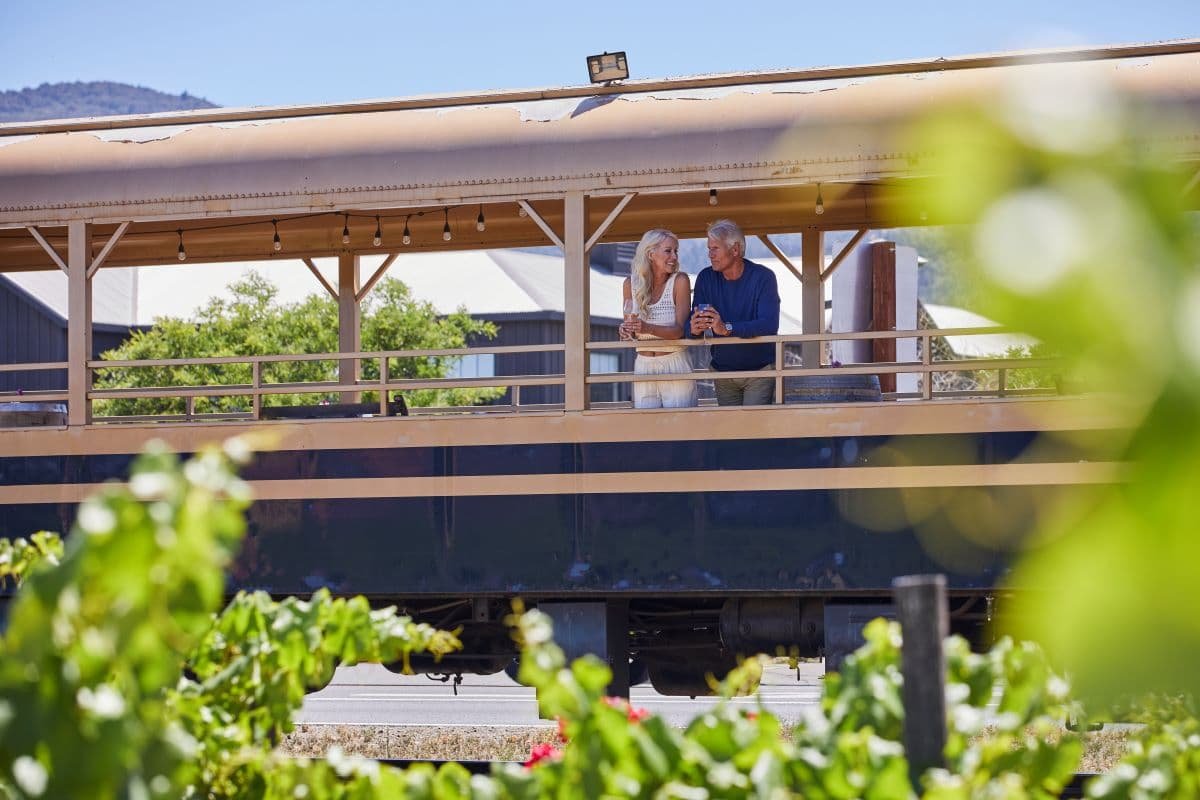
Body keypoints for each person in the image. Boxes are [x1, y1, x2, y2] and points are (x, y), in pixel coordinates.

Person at [689, 219, 781, 405]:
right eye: (709, 249)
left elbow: (769, 324)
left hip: (759, 371)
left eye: (715, 248)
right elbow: (695, 323)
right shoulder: (705, 278)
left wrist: (727, 328)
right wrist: (695, 326)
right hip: (723, 371)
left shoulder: (763, 277)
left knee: (752, 432)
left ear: (735, 249)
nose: (710, 255)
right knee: (730, 432)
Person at [620, 229, 697, 409]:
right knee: (646, 431)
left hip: (675, 363)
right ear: (650, 253)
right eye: (668, 251)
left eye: (676, 251)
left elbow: (680, 331)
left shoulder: (680, 281)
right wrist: (626, 331)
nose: (674, 257)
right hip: (643, 366)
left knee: (681, 429)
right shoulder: (629, 284)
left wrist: (646, 328)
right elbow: (633, 332)